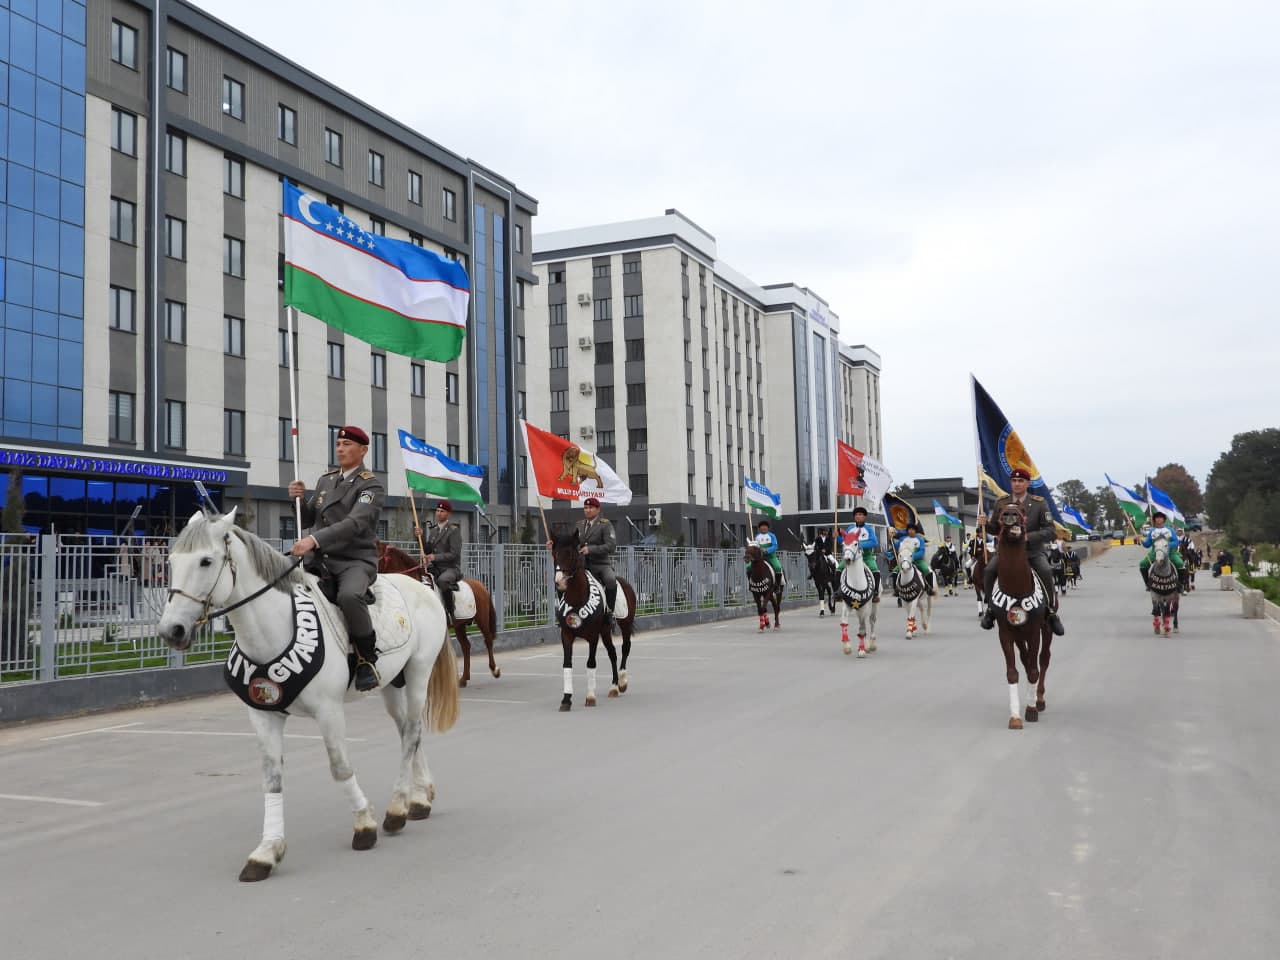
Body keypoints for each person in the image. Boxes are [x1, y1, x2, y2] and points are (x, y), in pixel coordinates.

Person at [288, 425, 385, 692]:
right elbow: (308, 519)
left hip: (354, 560)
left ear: (363, 450)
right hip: (319, 559)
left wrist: (313, 540)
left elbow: (356, 523)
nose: (340, 448)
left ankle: (366, 659)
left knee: (349, 597)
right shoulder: (326, 480)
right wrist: (297, 499)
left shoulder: (371, 485)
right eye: (339, 444)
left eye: (347, 444)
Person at [977, 468, 1065, 635]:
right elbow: (996, 529)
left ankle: (1051, 612)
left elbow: (1050, 531)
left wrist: (1027, 537)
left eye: (1021, 481)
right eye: (1014, 481)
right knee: (989, 570)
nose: (1017, 484)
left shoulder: (1039, 503)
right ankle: (990, 609)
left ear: (1027, 483)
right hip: (1007, 554)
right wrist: (985, 524)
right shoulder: (1001, 503)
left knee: (1046, 571)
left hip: (1032, 552)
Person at [549, 496, 619, 618]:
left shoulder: (605, 525)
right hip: (582, 565)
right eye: (585, 508)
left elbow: (611, 546)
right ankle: (563, 610)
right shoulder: (579, 525)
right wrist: (554, 545)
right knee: (561, 581)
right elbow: (570, 544)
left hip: (600, 564)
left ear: (598, 509)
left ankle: (609, 612)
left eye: (591, 507)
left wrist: (590, 549)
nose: (587, 510)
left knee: (610, 580)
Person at [415, 499, 462, 626]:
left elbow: (454, 554)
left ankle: (450, 613)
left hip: (451, 568)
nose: (438, 513)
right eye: (437, 510)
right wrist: (420, 537)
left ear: (448, 514)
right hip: (435, 568)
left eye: (442, 511)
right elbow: (427, 550)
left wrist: (435, 557)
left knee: (442, 581)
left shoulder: (454, 530)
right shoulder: (434, 530)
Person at [841, 506, 881, 598]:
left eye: (860, 514)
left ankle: (875, 593)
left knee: (875, 569)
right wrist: (838, 538)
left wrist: (859, 544)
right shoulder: (850, 528)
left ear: (864, 517)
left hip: (866, 556)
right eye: (856, 515)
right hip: (851, 557)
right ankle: (838, 592)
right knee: (839, 568)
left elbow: (874, 542)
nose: (858, 516)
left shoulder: (869, 529)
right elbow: (845, 541)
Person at [1139, 512, 1185, 588]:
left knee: (1180, 563)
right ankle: (1148, 584)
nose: (1159, 519)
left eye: (1160, 517)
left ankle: (1180, 584)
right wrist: (1141, 541)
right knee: (1142, 564)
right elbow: (1147, 544)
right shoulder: (1152, 531)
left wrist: (1166, 545)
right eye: (1157, 518)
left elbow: (1176, 542)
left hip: (1170, 553)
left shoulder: (1170, 530)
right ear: (1154, 520)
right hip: (1155, 553)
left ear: (1164, 519)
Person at [893, 523, 935, 595]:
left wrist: (912, 557)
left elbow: (922, 551)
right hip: (905, 561)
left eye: (913, 530)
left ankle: (930, 588)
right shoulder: (902, 539)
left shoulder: (920, 540)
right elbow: (896, 547)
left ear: (915, 531)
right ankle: (896, 589)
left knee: (926, 570)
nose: (911, 531)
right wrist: (891, 537)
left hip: (917, 560)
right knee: (895, 571)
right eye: (909, 529)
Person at [748, 518, 785, 588]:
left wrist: (766, 550)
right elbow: (755, 547)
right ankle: (751, 584)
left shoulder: (772, 536)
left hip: (771, 557)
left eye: (765, 526)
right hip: (759, 558)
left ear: (768, 528)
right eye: (762, 526)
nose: (763, 528)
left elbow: (775, 546)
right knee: (748, 567)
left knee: (778, 567)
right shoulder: (757, 537)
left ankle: (777, 585)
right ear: (759, 528)